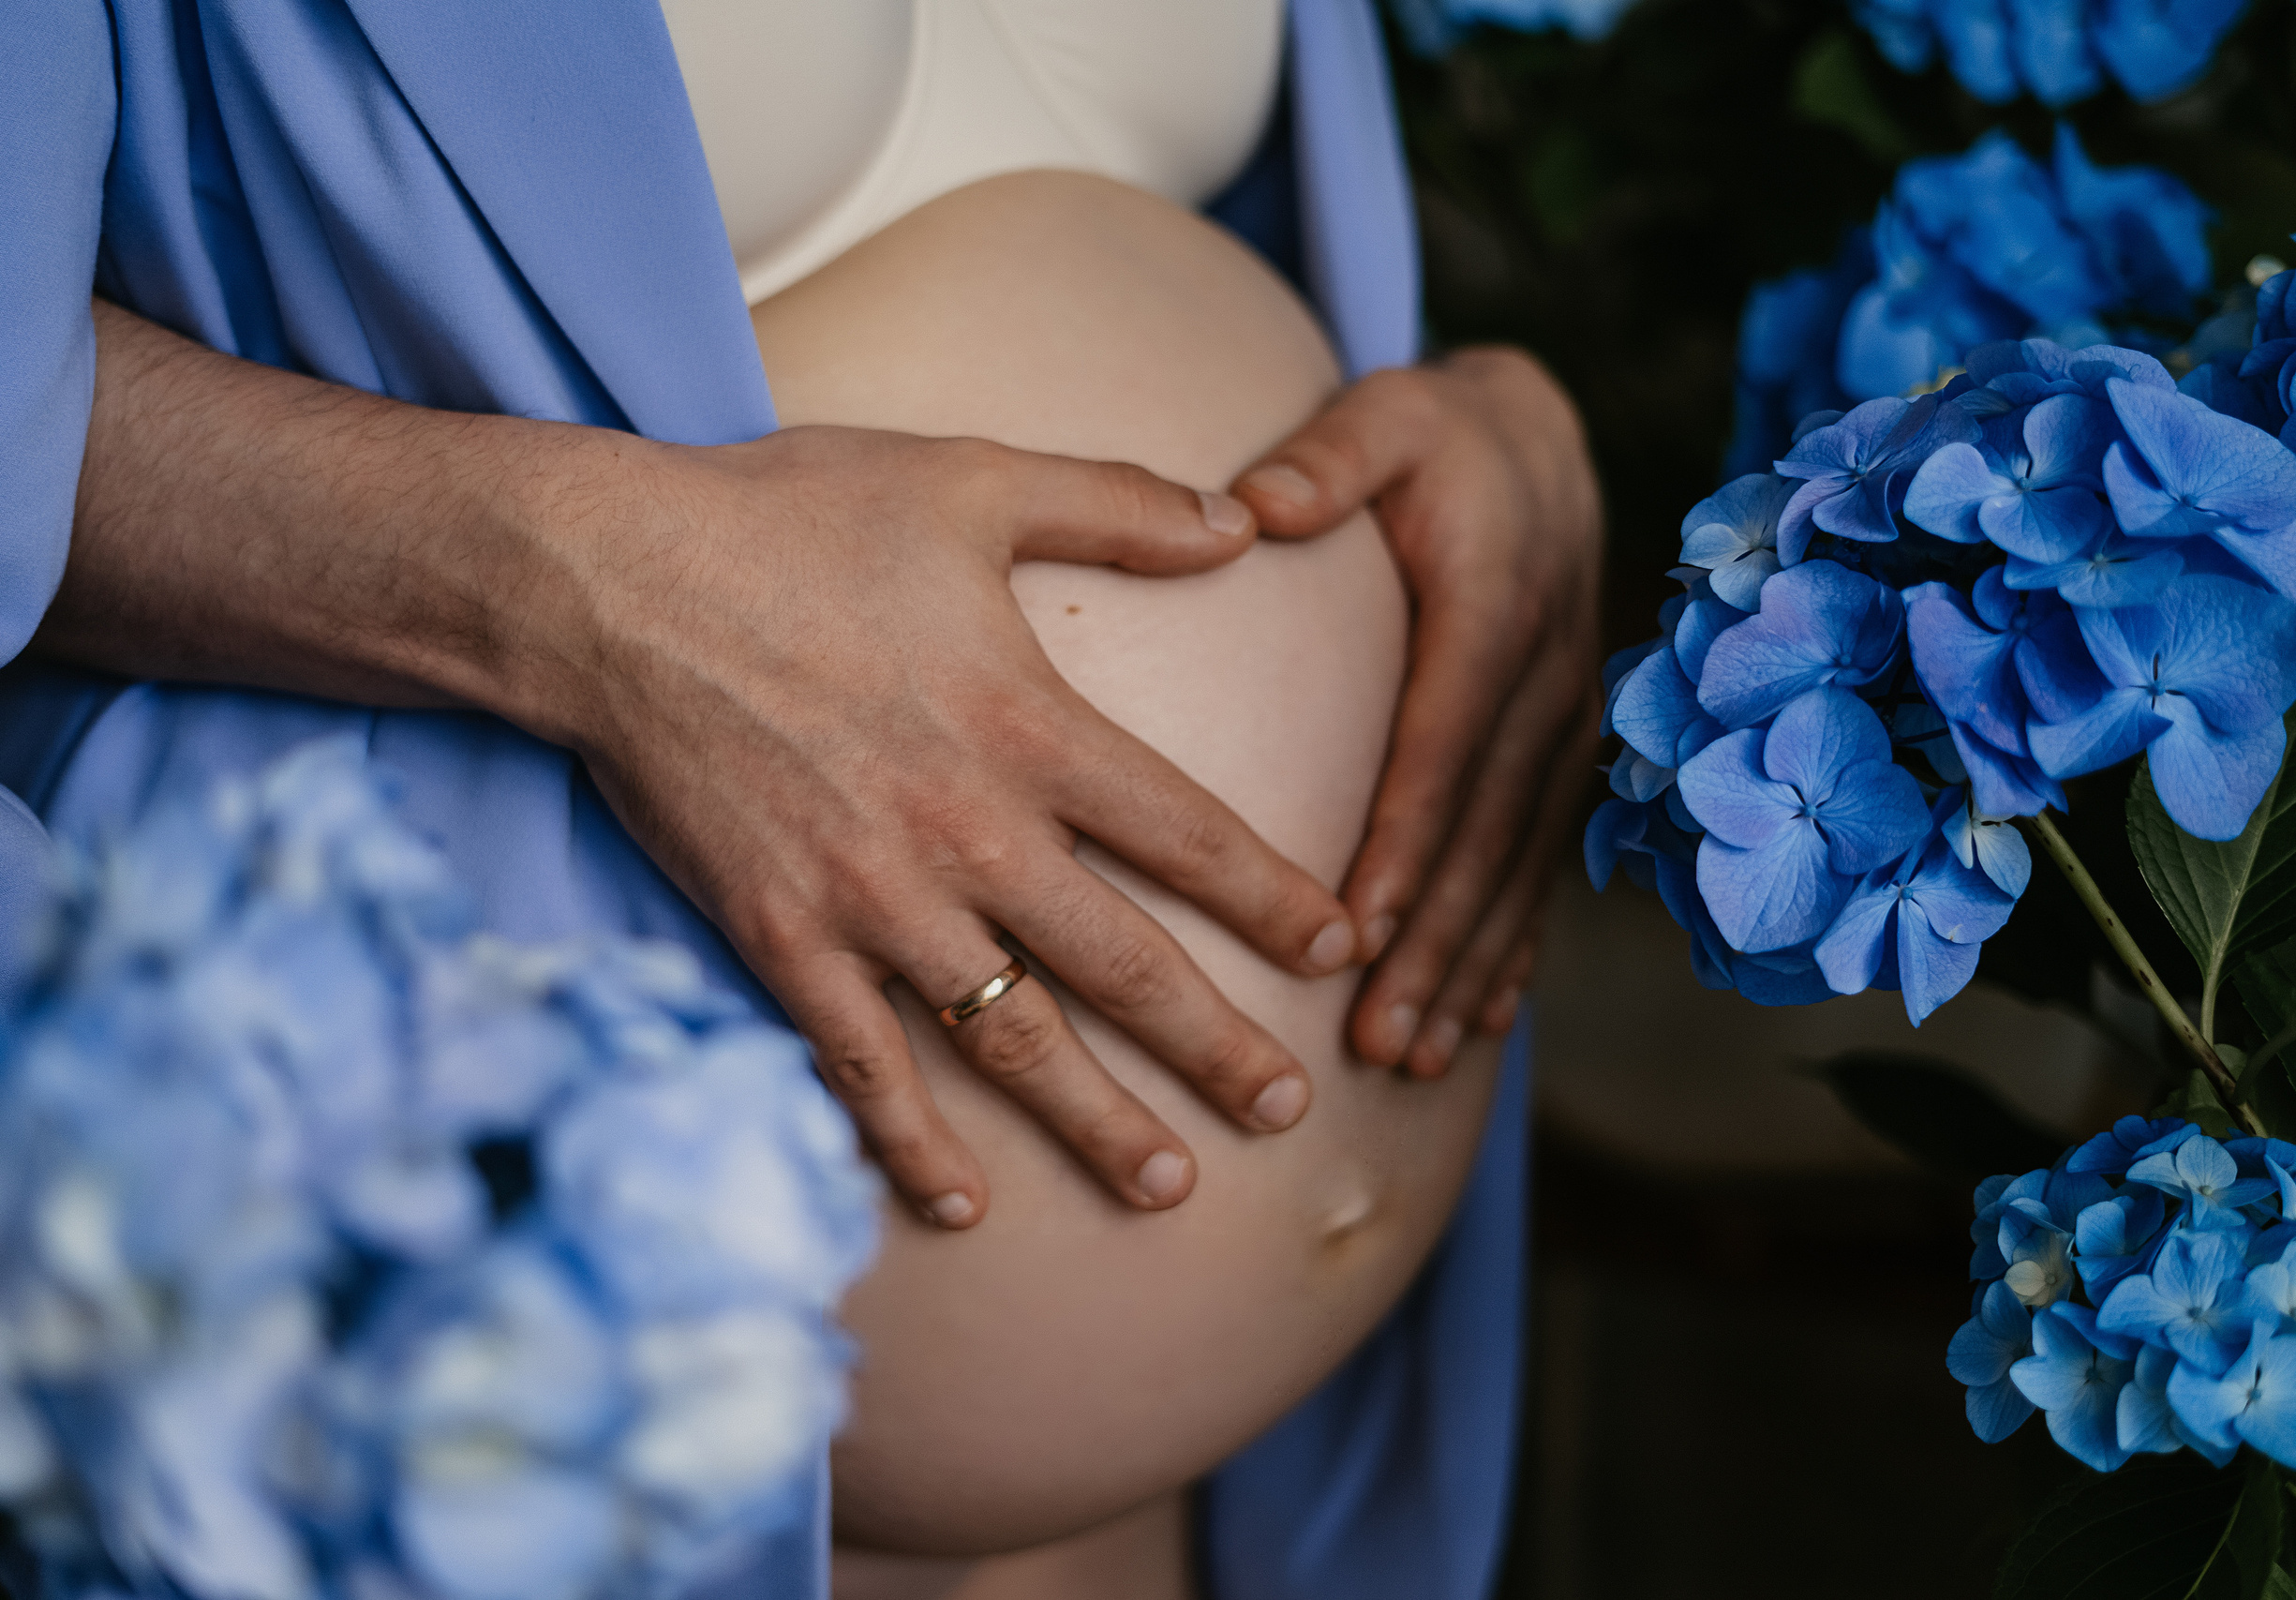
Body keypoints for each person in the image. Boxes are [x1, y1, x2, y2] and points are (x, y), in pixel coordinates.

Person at [0, 2, 1603, 1595]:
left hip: (1200, 1500)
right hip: (542, 1338)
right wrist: (581, 592)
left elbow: (1174, 200)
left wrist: (1489, 409)